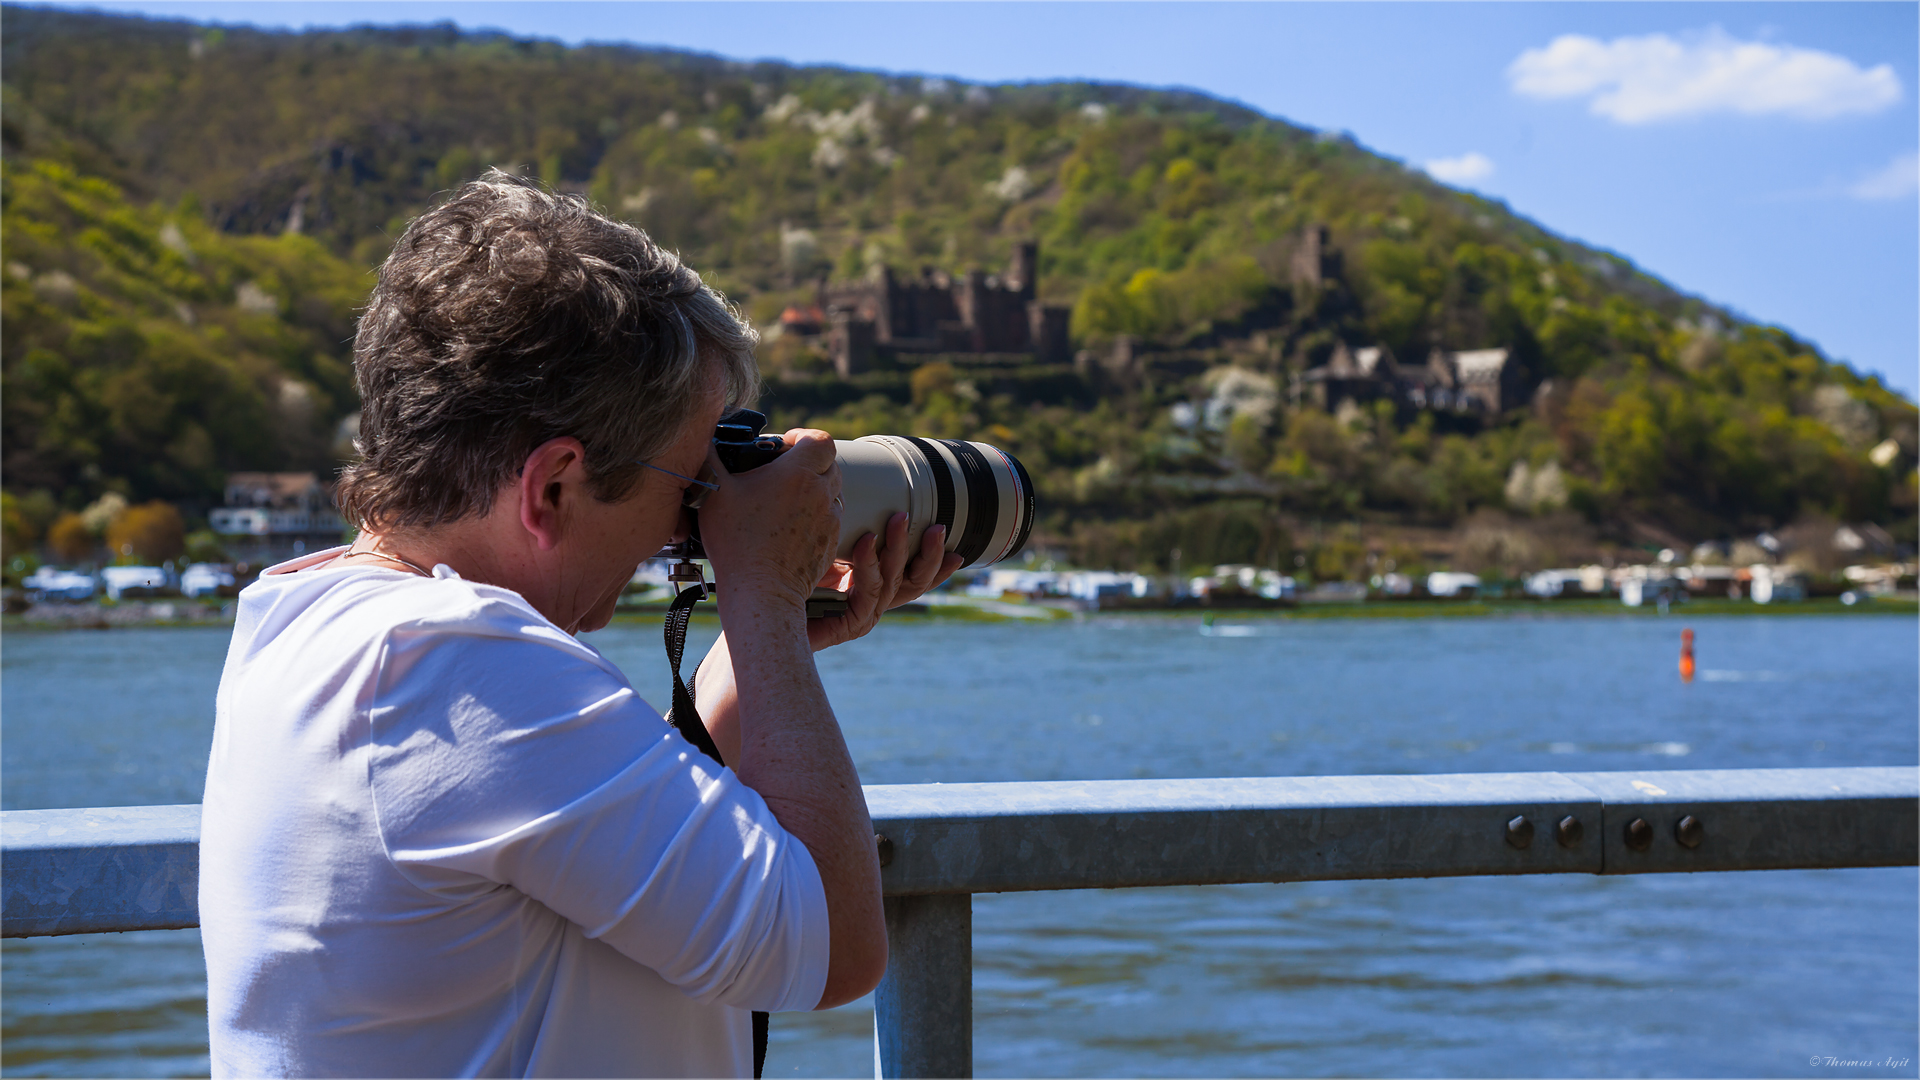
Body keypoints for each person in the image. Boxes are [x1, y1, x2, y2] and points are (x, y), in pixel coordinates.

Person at [199, 171, 960, 1078]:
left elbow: (635, 844)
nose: (692, 526)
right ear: (553, 485)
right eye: (688, 486)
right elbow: (832, 944)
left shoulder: (317, 623)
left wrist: (773, 637)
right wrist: (759, 595)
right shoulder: (454, 666)